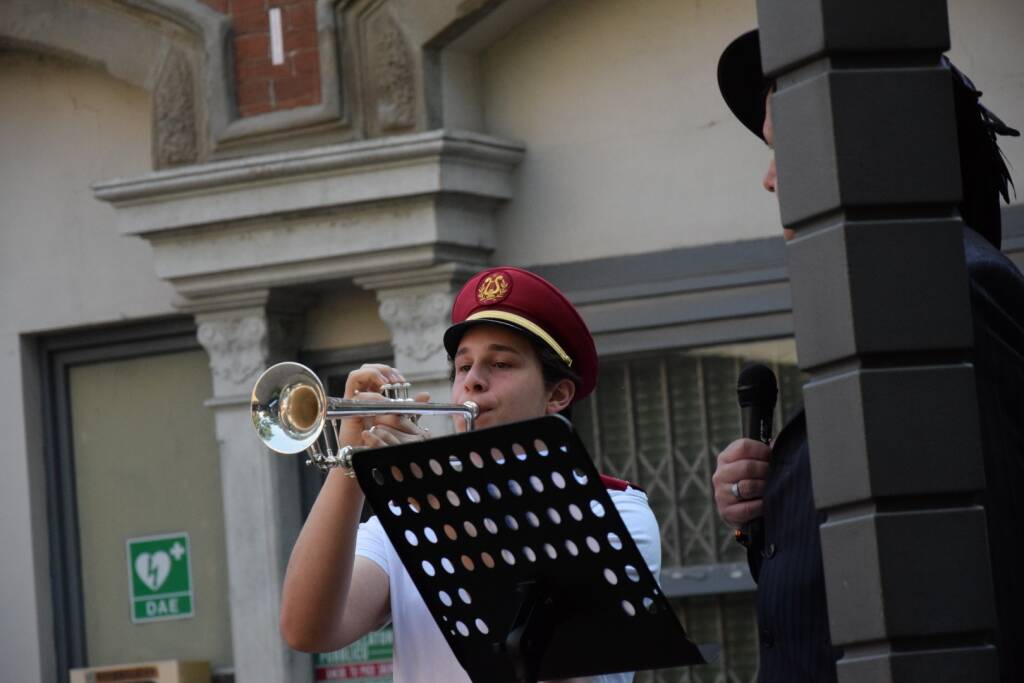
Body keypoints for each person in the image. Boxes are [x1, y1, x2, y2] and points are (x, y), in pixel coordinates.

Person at [712, 29, 1023, 683]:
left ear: (857, 139)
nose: (769, 181)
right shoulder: (882, 292)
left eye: (782, 149)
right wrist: (773, 510)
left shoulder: (952, 287)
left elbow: (982, 561)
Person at [279, 266, 662, 682]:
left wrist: (437, 498)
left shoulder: (614, 510)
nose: (473, 382)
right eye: (463, 367)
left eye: (500, 364)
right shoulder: (409, 513)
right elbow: (306, 628)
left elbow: (552, 657)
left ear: (557, 394)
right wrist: (351, 462)